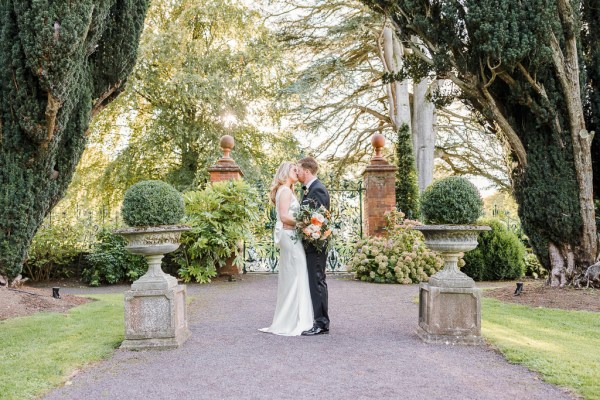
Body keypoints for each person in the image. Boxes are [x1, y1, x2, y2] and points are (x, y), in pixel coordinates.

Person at [259, 162, 314, 336]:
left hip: (290, 236)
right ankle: (294, 321)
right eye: (293, 170)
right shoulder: (285, 190)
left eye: (297, 170)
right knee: (296, 275)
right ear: (285, 172)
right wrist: (304, 223)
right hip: (289, 237)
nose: (297, 172)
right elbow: (283, 216)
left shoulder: (287, 190)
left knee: (295, 275)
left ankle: (295, 318)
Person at [296, 156, 331, 336]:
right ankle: (319, 320)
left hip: (316, 244)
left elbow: (318, 220)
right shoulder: (310, 190)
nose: (297, 172)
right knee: (315, 280)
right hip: (311, 244)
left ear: (307, 171)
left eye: (298, 169)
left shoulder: (318, 190)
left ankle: (321, 323)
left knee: (317, 281)